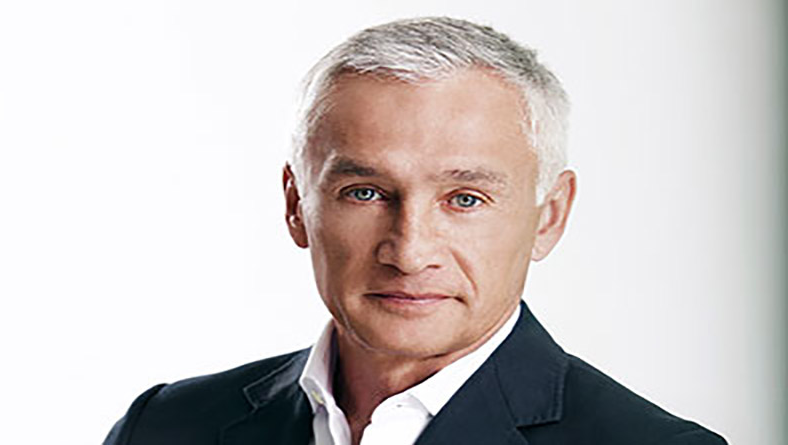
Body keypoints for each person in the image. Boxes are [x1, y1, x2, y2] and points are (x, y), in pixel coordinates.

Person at [104, 17, 727, 445]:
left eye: (465, 199)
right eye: (365, 192)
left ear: (550, 216)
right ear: (296, 205)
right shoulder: (164, 428)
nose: (409, 250)